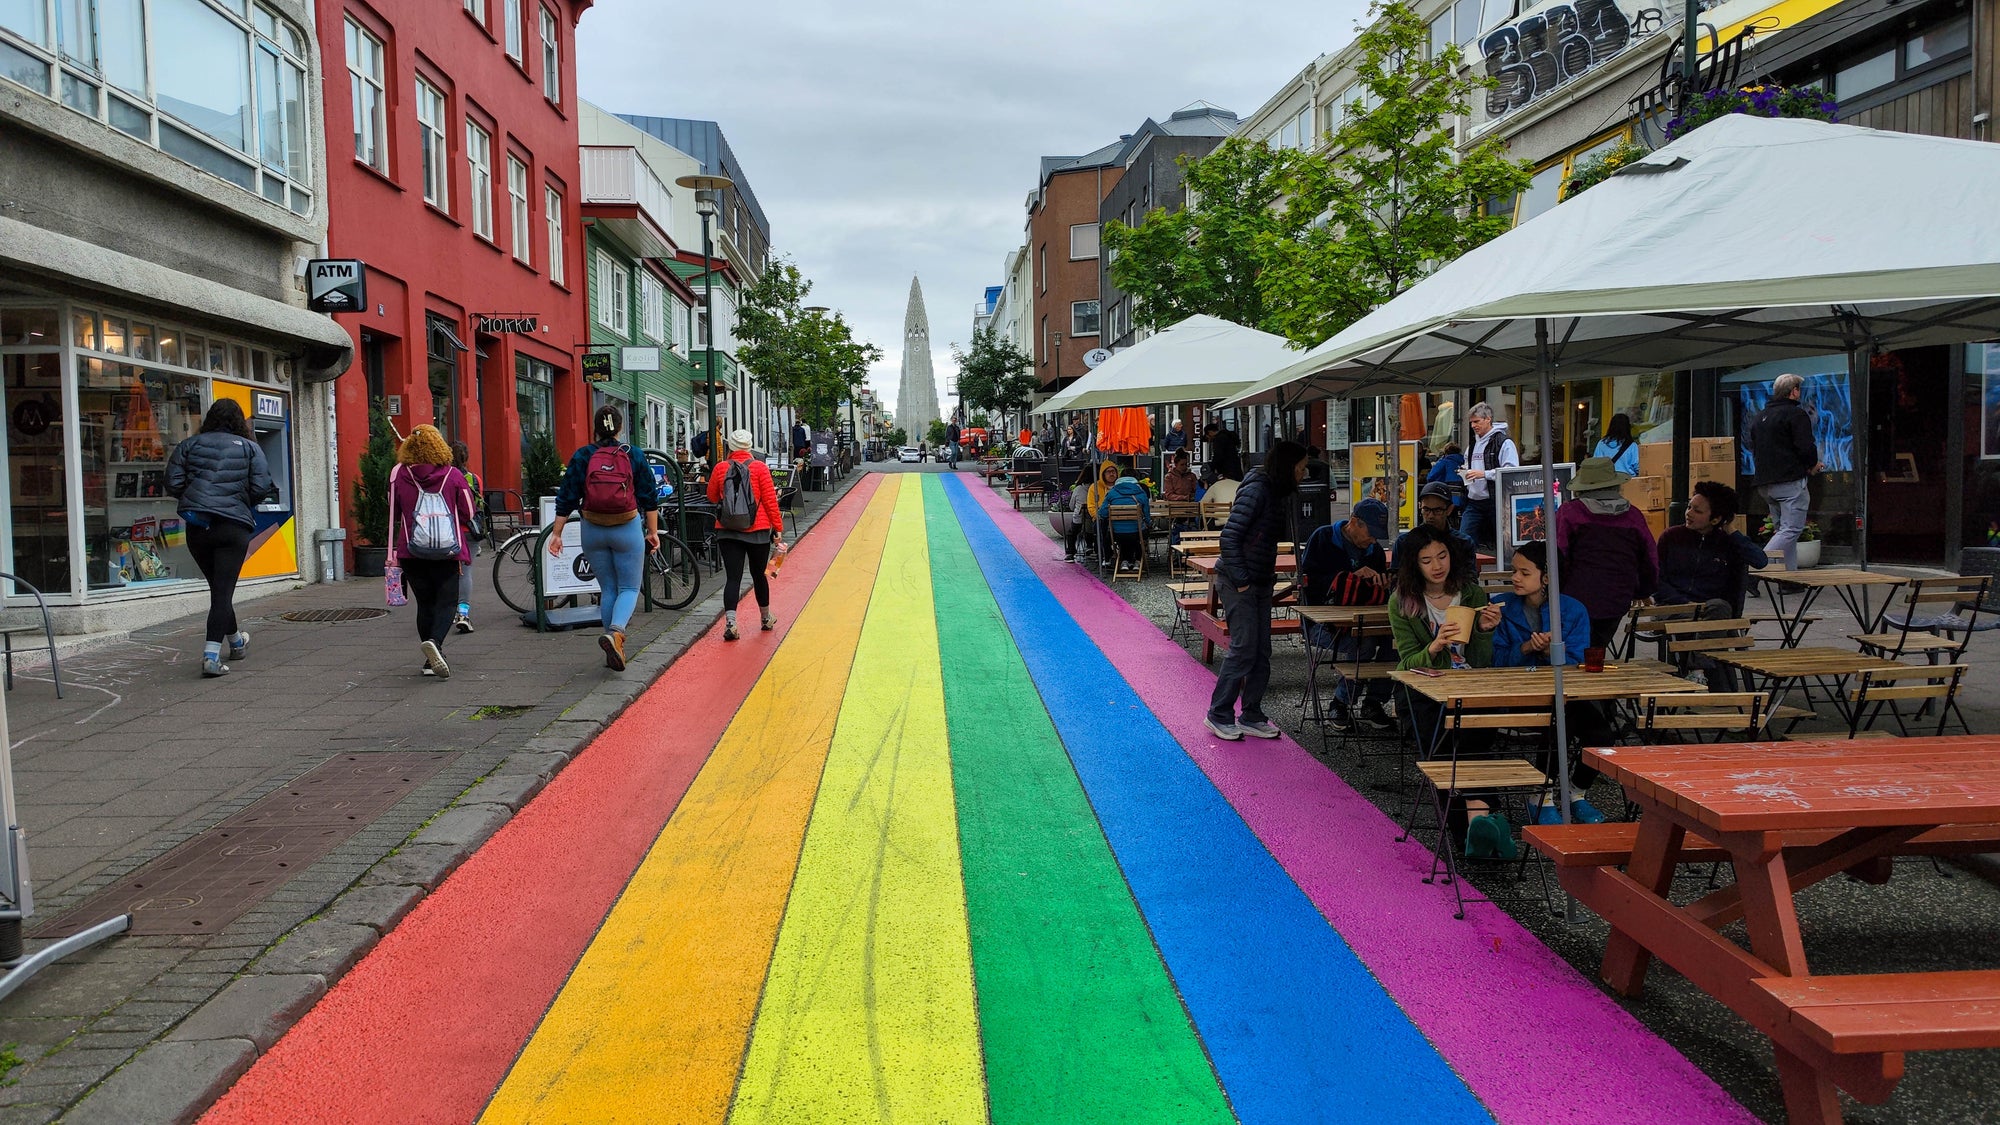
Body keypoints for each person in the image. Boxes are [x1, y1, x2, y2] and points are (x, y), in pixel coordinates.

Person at [1489, 540, 1612, 823]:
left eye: (1524, 572)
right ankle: (1540, 796)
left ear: (1547, 577)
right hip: (1517, 695)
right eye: (1513, 571)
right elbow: (1495, 663)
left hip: (1564, 693)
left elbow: (1578, 660)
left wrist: (1549, 652)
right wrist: (1525, 649)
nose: (1515, 578)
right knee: (1560, 721)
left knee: (1601, 735)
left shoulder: (1572, 610)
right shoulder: (1501, 607)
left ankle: (1575, 791)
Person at [166, 398, 278, 677]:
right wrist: (238, 501)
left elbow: (173, 482)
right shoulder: (250, 448)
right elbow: (261, 486)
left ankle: (237, 642)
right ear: (239, 421)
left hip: (198, 527)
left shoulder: (189, 445)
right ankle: (211, 656)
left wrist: (198, 498)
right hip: (232, 527)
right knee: (222, 592)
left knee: (219, 590)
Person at [1206, 441, 1309, 742]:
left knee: (1262, 650)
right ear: (1287, 467)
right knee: (1244, 647)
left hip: (1260, 578)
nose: (1303, 475)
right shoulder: (1258, 489)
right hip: (1241, 579)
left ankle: (1251, 713)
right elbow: (1230, 537)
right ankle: (1219, 713)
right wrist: (1242, 581)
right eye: (1301, 469)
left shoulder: (1275, 490)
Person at [547, 407, 662, 671]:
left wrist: (556, 533)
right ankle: (617, 633)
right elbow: (648, 496)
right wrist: (652, 532)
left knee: (608, 589)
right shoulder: (633, 454)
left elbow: (567, 497)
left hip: (593, 528)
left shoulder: (584, 455)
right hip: (627, 527)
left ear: (596, 429)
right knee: (630, 589)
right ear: (620, 429)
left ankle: (612, 648)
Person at [387, 425, 478, 679]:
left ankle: (429, 660)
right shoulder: (453, 475)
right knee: (447, 601)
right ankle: (436, 645)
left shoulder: (398, 473)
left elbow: (392, 509)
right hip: (447, 550)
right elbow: (469, 512)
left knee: (425, 603)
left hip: (411, 550)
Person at [1299, 509, 1394, 731]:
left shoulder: (1375, 551)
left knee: (1396, 641)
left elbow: (1376, 597)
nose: (1373, 540)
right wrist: (1348, 578)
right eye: (1371, 533)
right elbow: (1307, 582)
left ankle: (1374, 702)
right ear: (1354, 522)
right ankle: (1340, 702)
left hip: (1363, 620)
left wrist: (1381, 585)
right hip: (1322, 623)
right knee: (1363, 643)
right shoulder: (1323, 538)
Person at [1554, 456, 1660, 648]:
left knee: (1575, 650)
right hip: (1617, 598)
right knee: (1596, 648)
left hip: (1574, 597)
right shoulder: (1633, 516)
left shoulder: (1570, 513)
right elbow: (1650, 560)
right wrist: (1643, 590)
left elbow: (1558, 555)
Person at [703, 429, 785, 640]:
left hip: (728, 531)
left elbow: (712, 496)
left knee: (733, 578)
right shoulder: (760, 468)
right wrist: (777, 529)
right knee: (759, 576)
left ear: (730, 446)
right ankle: (766, 618)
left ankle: (731, 623)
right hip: (757, 530)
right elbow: (769, 501)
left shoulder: (721, 468)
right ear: (749, 447)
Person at [1657, 480, 1768, 617]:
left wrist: (1731, 530)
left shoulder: (1728, 542)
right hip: (1672, 606)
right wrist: (1683, 602)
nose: (1689, 513)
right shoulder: (1671, 537)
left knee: (1719, 609)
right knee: (1694, 621)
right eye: (1689, 507)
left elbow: (1760, 561)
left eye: (1697, 511)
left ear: (1715, 520)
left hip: (1711, 608)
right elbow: (1656, 578)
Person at [1748, 372, 1820, 569]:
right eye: (1799, 390)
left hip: (1765, 484)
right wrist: (1811, 465)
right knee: (1791, 530)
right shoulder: (1796, 414)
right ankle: (1756, 566)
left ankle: (1788, 578)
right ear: (1794, 392)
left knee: (1783, 531)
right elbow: (1806, 446)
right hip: (1789, 482)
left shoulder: (1760, 417)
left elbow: (1753, 446)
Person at [1457, 402, 1518, 551]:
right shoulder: (1472, 445)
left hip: (1496, 501)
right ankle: (1469, 571)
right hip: (1474, 501)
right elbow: (1467, 463)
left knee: (1504, 542)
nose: (1473, 426)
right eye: (1471, 422)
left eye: (1476, 421)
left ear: (1488, 419)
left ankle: (1505, 570)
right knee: (1464, 540)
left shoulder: (1504, 443)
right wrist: (1463, 471)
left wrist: (1483, 474)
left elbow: (1511, 471)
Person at [448, 441, 486, 634]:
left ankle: (449, 611)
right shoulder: (474, 478)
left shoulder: (444, 477)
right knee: (466, 572)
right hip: (469, 531)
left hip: (448, 531)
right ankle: (464, 612)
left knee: (448, 572)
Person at [1392, 482, 1476, 568]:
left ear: (1449, 510)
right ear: (1420, 506)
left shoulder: (1463, 543)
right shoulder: (1404, 542)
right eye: (1426, 510)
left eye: (1437, 511)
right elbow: (1396, 577)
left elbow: (1470, 578)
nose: (1431, 516)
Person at [1068, 460, 1120, 563]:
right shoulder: (1094, 488)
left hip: (1083, 521)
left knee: (1075, 529)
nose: (1111, 474)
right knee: (1100, 526)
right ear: (1102, 474)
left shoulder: (1079, 489)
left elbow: (1071, 506)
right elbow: (1091, 507)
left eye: (1113, 471)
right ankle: (1105, 554)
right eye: (1108, 471)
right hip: (1100, 519)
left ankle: (1070, 552)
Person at [1101, 468, 1151, 572]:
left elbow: (1102, 513)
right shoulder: (1141, 493)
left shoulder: (1112, 493)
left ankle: (1124, 561)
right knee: (1140, 534)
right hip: (1137, 533)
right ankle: (1137, 561)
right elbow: (1147, 515)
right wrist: (1149, 523)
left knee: (1123, 533)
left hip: (1116, 533)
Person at [1425, 441, 1466, 513]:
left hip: (1449, 496)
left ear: (1445, 452)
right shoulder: (1464, 461)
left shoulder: (1445, 461)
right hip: (1464, 495)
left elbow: (1431, 477)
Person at [1351, 477, 1391, 541]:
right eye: (1370, 534)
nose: (1373, 541)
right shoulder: (1330, 539)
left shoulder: (1375, 549)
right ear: (1353, 523)